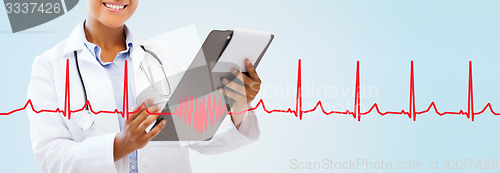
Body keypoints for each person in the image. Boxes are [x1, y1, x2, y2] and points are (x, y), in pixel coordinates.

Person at [27, 0, 261, 172]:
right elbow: (51, 157)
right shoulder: (49, 65)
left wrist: (238, 107)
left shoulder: (166, 54)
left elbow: (200, 138)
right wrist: (119, 145)